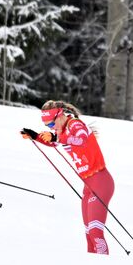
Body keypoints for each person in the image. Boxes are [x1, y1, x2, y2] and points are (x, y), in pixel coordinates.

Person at [21, 100, 114, 255]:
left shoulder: (74, 124)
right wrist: (35, 136)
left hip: (101, 182)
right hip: (88, 186)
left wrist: (56, 138)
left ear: (60, 115)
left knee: (96, 233)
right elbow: (54, 143)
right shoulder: (62, 132)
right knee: (89, 235)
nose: (52, 128)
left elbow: (81, 139)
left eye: (51, 124)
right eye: (48, 126)